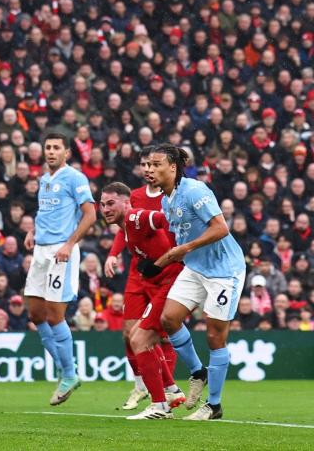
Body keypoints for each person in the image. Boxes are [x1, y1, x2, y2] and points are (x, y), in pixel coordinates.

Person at [148, 144, 245, 420]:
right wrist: (158, 264)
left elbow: (221, 228)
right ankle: (198, 372)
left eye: (156, 165)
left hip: (224, 270)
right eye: (148, 165)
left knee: (215, 336)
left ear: (173, 167)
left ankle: (213, 406)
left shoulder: (195, 191)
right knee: (169, 319)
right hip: (195, 268)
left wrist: (185, 249)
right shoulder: (167, 201)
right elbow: (178, 243)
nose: (150, 170)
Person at [99, 182, 187, 420]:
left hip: (170, 281)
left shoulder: (136, 217)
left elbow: (165, 219)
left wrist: (176, 252)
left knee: (140, 339)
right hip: (159, 282)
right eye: (102, 204)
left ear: (127, 202)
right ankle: (170, 392)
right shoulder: (125, 228)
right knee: (136, 336)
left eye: (110, 203)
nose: (105, 209)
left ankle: (160, 404)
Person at [23, 132, 96, 405]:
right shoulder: (44, 180)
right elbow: (46, 212)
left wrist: (68, 244)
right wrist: (33, 230)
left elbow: (90, 214)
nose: (51, 152)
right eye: (48, 147)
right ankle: (66, 370)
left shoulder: (75, 178)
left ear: (66, 152)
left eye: (56, 148)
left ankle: (68, 373)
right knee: (36, 313)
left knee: (55, 316)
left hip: (61, 252)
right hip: (40, 250)